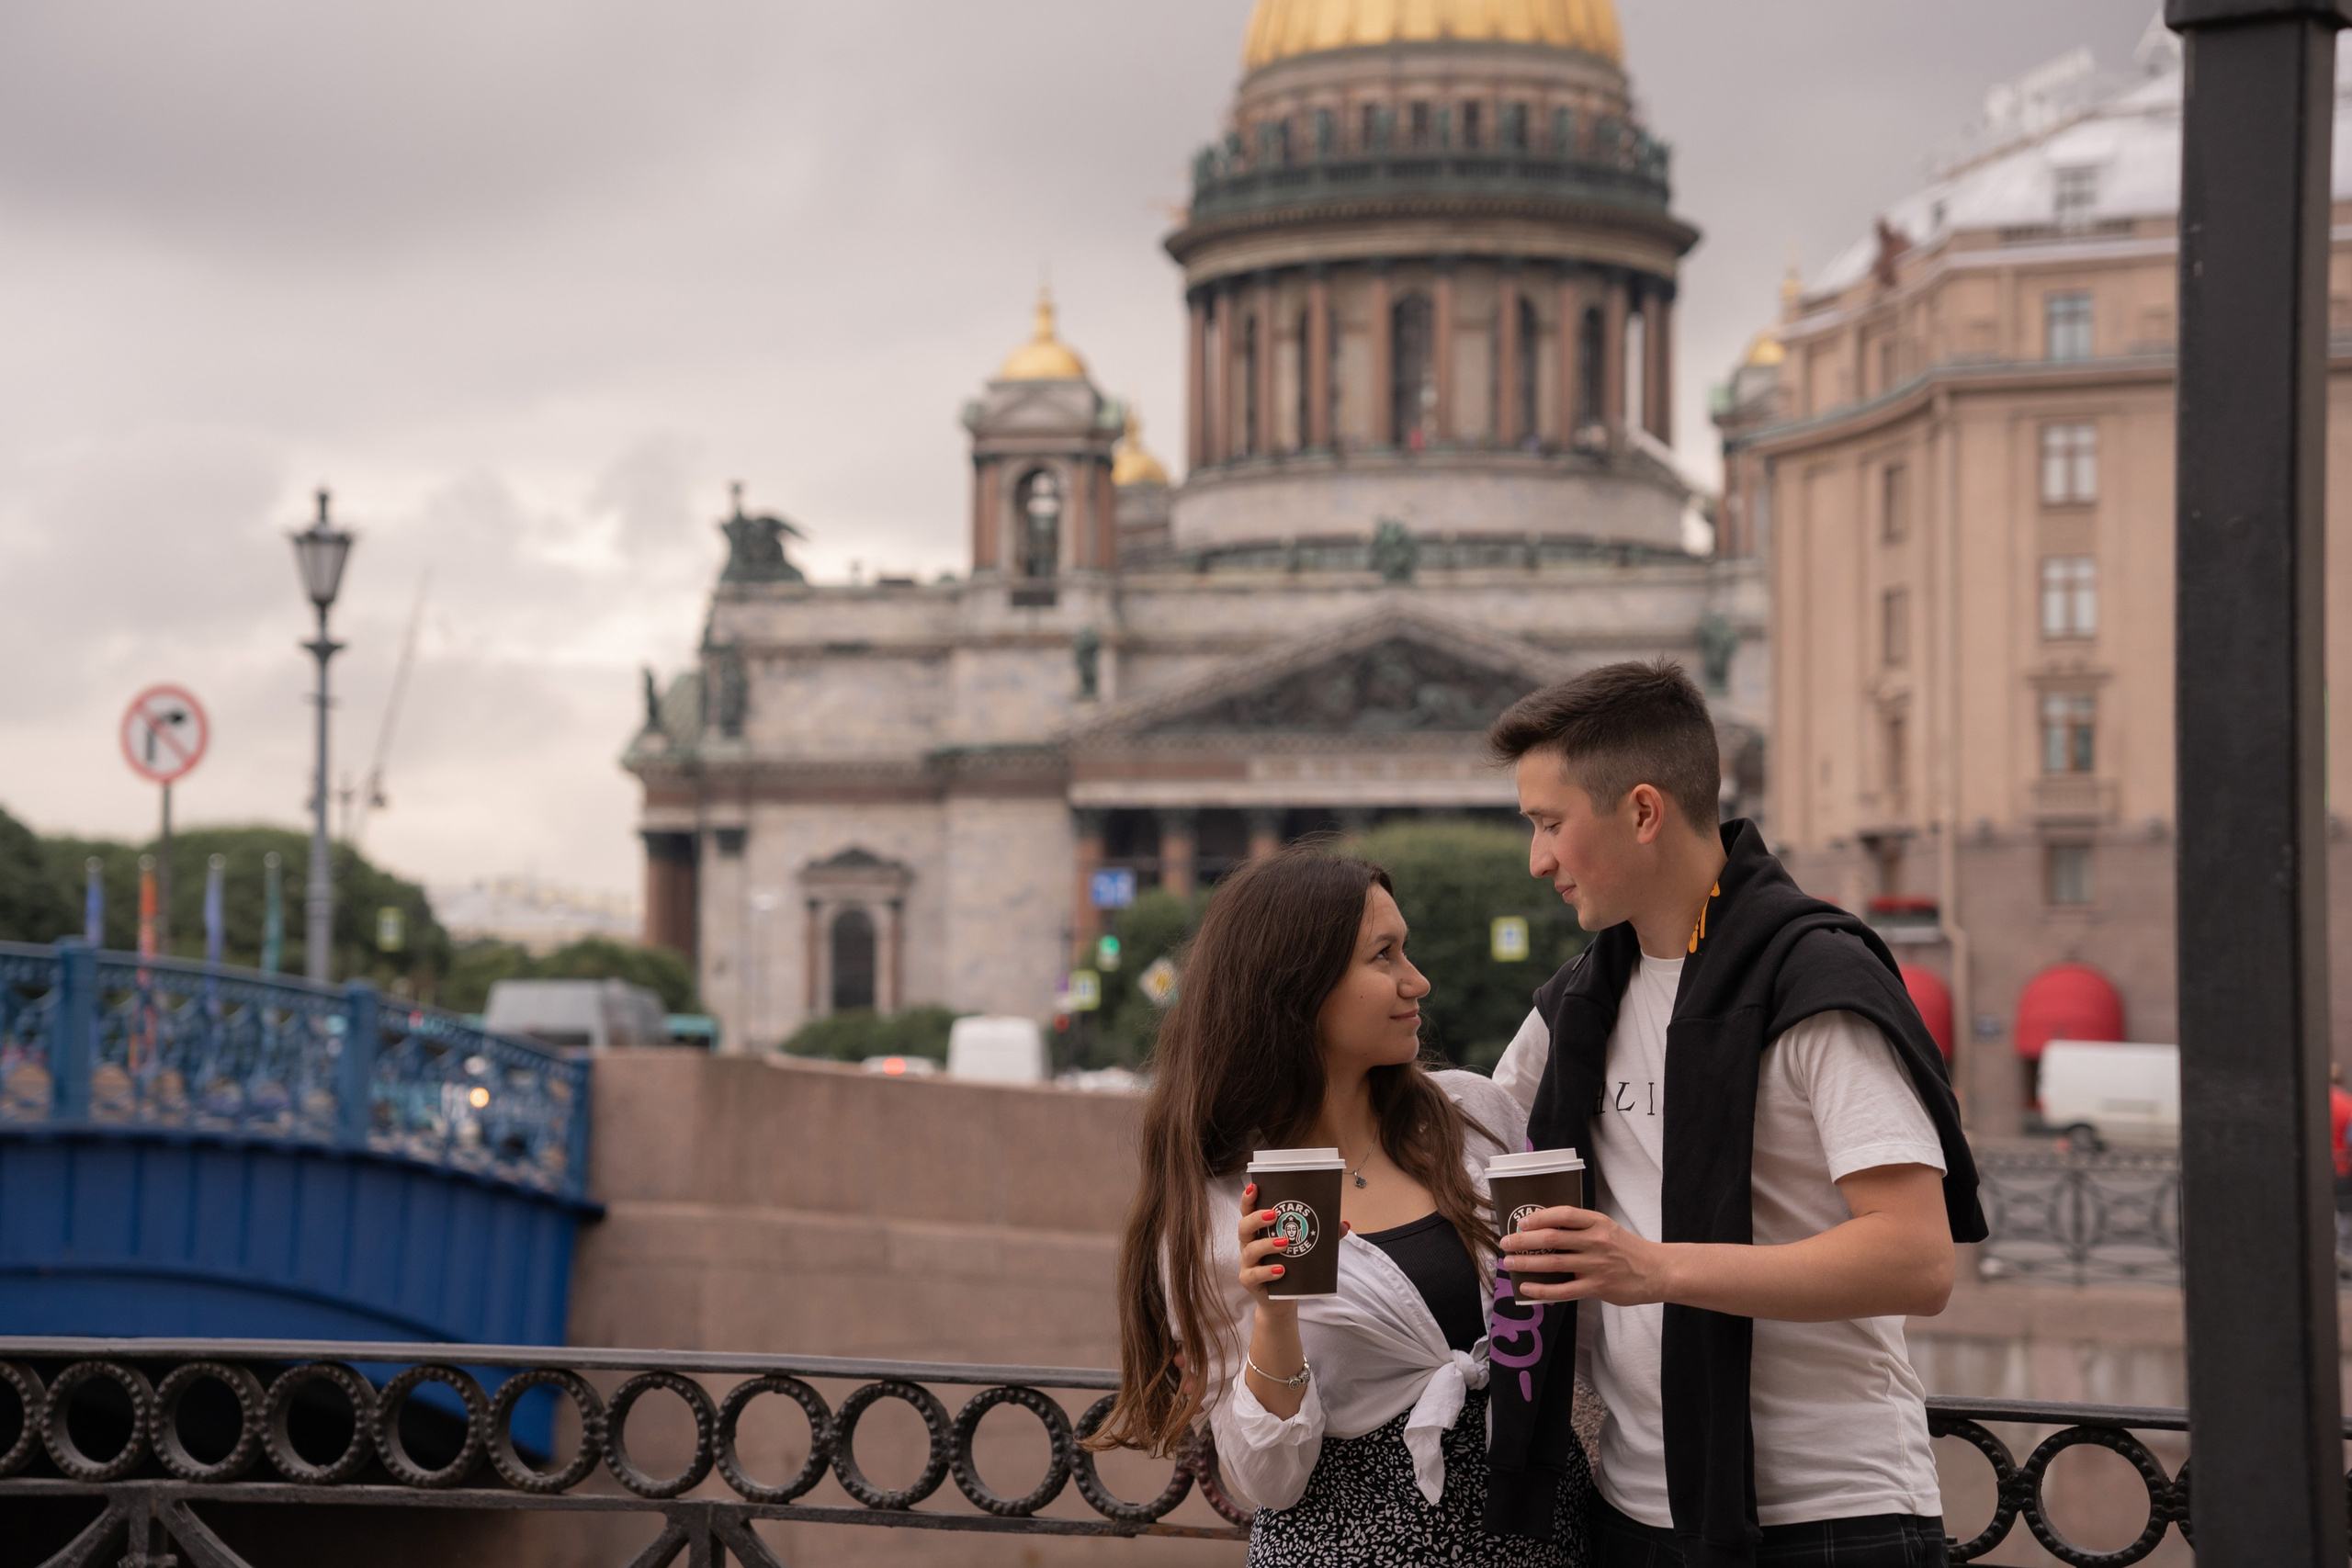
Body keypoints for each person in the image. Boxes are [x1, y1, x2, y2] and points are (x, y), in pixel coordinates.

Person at [1480, 660, 1984, 1568]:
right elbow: (1462, 1149)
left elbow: (1916, 1259)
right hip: (1632, 1514)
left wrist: (1652, 1268)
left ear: (1642, 811)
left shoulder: (1814, 982)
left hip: (1836, 1517)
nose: (1537, 860)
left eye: (1550, 825)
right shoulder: (1576, 1007)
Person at [1091, 845, 1594, 1564]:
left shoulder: (1473, 1117)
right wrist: (1272, 1312)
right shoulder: (1217, 1207)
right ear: (1298, 987)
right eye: (1383, 956)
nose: (1416, 980)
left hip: (1540, 1532)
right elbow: (1266, 1479)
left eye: (1406, 951)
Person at [2329, 1063, 2351, 1268]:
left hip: (2311, 1169)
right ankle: (2341, 1250)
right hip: (2341, 1166)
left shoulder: (2308, 1101)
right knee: (2345, 1210)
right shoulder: (2347, 1103)